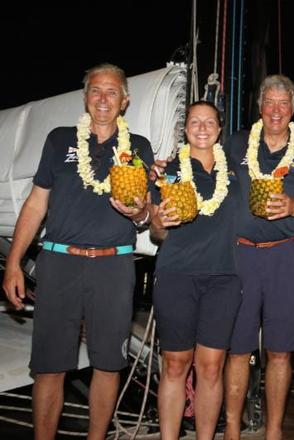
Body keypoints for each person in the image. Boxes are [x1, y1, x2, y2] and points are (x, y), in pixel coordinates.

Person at [2, 63, 153, 440]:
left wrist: (139, 212)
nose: (103, 99)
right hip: (59, 263)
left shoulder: (139, 147)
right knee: (50, 367)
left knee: (108, 364)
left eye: (112, 92)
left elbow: (147, 209)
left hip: (114, 267)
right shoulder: (59, 140)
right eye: (96, 91)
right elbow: (36, 205)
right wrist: (14, 263)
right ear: (86, 97)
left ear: (125, 101)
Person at [223, 74, 294, 440]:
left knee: (280, 352)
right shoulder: (234, 144)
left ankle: (274, 431)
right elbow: (201, 171)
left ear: (293, 110)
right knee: (236, 349)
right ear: (260, 107)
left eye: (284, 103)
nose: (276, 110)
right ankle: (232, 429)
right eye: (270, 102)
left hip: (286, 257)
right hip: (239, 256)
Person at [149, 101, 242, 440]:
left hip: (224, 278)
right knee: (175, 365)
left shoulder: (236, 172)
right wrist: (159, 222)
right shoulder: (165, 171)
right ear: (185, 129)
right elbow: (157, 231)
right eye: (194, 122)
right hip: (176, 275)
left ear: (219, 129)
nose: (202, 128)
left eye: (209, 122)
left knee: (211, 368)